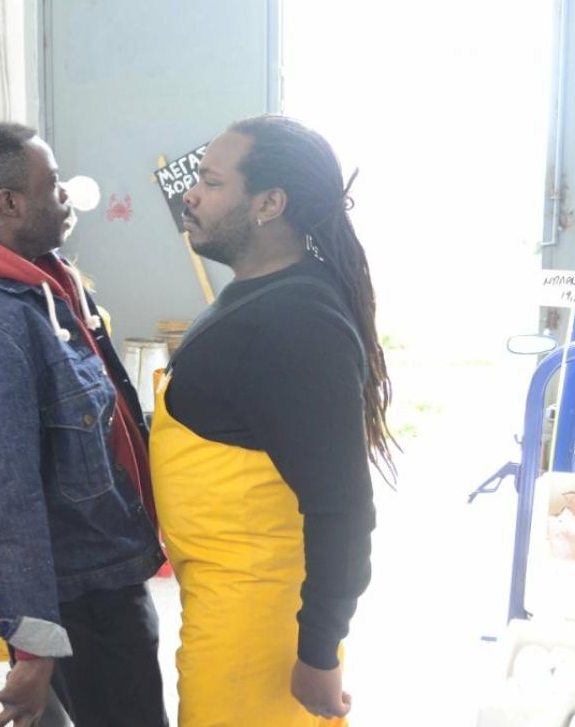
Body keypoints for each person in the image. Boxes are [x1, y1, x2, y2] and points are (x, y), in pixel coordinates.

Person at [0, 120, 167, 727]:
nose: (66, 194)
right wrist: (33, 648)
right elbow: (9, 497)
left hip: (108, 565)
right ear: (9, 203)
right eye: (52, 183)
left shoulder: (43, 281)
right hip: (81, 590)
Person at [150, 114, 395, 726]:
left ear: (269, 203)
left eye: (211, 182)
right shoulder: (266, 293)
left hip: (258, 633)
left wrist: (318, 652)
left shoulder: (295, 324)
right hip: (226, 605)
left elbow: (343, 507)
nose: (191, 195)